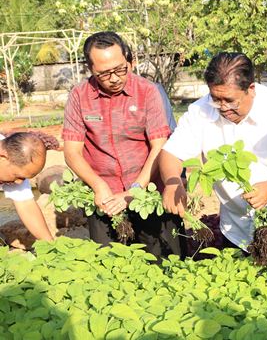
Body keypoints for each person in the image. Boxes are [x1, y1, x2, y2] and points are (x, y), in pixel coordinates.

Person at [158, 52, 267, 251]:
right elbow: (171, 153)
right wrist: (173, 182)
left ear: (251, 89)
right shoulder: (201, 110)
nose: (223, 108)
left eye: (230, 100)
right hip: (235, 228)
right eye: (216, 99)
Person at [62, 31, 183, 258]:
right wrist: (98, 186)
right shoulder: (79, 96)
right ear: (91, 69)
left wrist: (133, 192)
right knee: (111, 266)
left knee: (165, 262)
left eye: (120, 69)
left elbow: (159, 147)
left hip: (148, 193)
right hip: (105, 199)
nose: (115, 78)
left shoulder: (147, 91)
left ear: (130, 61)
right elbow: (72, 152)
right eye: (104, 74)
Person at [0, 132, 54, 241]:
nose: (19, 182)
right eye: (17, 176)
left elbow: (26, 205)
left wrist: (51, 246)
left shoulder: (14, 155)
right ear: (3, 157)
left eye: (25, 178)